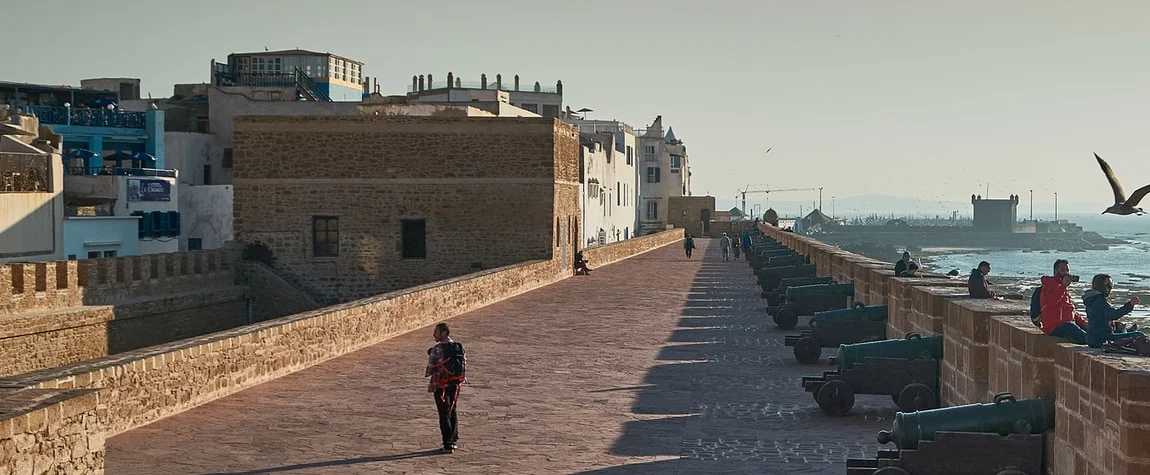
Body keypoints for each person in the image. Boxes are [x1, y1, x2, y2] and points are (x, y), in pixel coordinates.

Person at [426, 322, 466, 453]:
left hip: (440, 385)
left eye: (436, 332)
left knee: (444, 414)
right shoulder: (459, 347)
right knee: (452, 410)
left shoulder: (437, 349)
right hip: (455, 384)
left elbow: (430, 370)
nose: (434, 335)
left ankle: (447, 443)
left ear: (443, 333)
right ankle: (453, 440)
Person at [1083, 274, 1144, 348]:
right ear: (1100, 286)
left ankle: (1126, 331)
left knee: (1121, 331)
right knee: (1139, 335)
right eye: (1108, 285)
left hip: (1092, 338)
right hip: (1101, 339)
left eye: (1112, 285)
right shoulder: (1099, 300)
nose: (1111, 288)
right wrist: (1130, 305)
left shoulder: (1092, 298)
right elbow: (1113, 315)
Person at [1039, 259, 1089, 344]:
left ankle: (1108, 341)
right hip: (1055, 326)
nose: (1066, 273)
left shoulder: (1063, 287)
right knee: (1071, 328)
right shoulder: (1050, 284)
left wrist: (1083, 322)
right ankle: (1094, 342)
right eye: (1063, 270)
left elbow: (1069, 308)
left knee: (1093, 330)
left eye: (1067, 270)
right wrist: (1063, 286)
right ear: (1055, 271)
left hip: (1068, 323)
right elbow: (1051, 302)